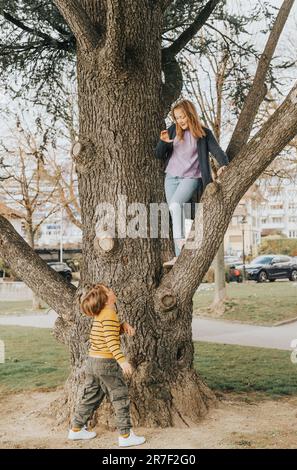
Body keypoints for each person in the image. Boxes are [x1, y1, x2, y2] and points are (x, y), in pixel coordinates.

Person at [67, 283, 146, 448]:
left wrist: (122, 326)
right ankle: (125, 435)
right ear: (106, 299)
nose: (112, 290)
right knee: (120, 395)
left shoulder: (102, 314)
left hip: (92, 362)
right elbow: (111, 342)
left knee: (91, 395)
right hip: (105, 363)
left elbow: (105, 333)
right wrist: (122, 361)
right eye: (108, 290)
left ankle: (76, 429)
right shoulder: (109, 313)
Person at [155, 99, 229, 265]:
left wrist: (223, 164)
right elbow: (159, 154)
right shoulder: (173, 130)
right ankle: (178, 256)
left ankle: (182, 242)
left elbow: (217, 151)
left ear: (190, 114)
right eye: (177, 118)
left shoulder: (204, 134)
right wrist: (163, 142)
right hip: (171, 177)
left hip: (191, 177)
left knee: (175, 205)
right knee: (175, 212)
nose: (180, 120)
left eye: (183, 116)